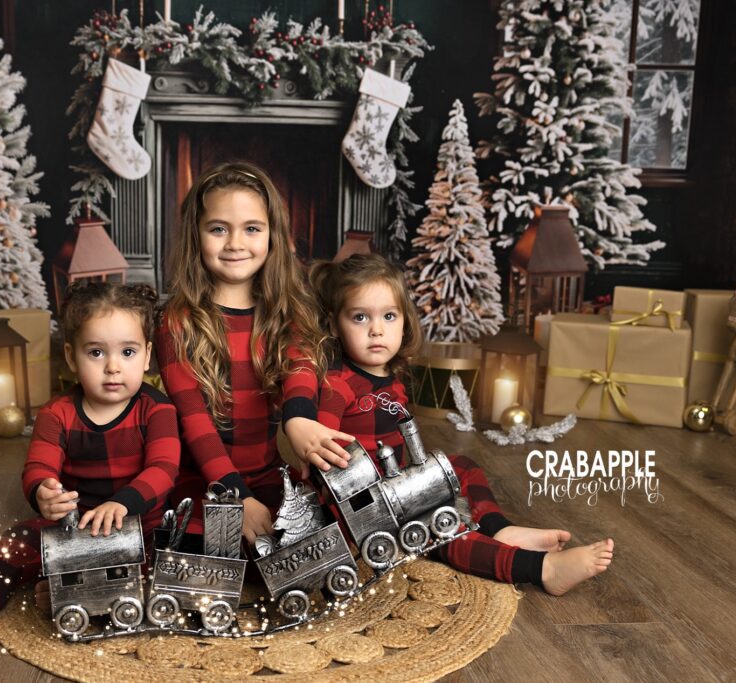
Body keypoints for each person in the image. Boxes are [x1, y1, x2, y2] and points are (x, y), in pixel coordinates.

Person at [0, 282, 180, 651]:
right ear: (71, 357)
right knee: (9, 548)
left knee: (174, 558)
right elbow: (39, 465)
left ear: (148, 356)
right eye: (97, 352)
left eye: (128, 352)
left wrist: (123, 503)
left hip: (139, 531)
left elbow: (164, 469)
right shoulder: (58, 413)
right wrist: (44, 492)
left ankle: (76, 591)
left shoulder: (158, 409)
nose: (113, 367)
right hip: (74, 529)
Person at [309, 253, 614, 596]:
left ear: (404, 322)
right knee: (446, 535)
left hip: (398, 477)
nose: (376, 329)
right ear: (335, 325)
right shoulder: (339, 384)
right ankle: (541, 569)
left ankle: (498, 529)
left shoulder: (391, 378)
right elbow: (322, 450)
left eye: (389, 316)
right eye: (360, 317)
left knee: (463, 466)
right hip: (366, 503)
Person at [155, 160, 354, 543]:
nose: (235, 243)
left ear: (272, 235)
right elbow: (194, 423)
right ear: (196, 236)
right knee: (200, 552)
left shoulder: (287, 311)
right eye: (218, 229)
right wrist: (236, 497)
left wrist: (298, 419)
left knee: (312, 540)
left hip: (266, 475)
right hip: (204, 477)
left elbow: (301, 372)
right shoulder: (177, 322)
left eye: (251, 229)